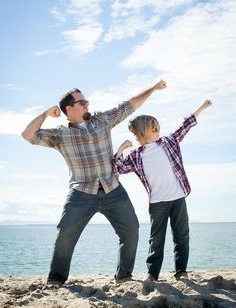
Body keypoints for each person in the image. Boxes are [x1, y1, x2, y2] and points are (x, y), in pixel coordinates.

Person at [21, 80, 167, 285]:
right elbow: (28, 135)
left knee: (131, 230)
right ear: (69, 109)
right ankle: (56, 280)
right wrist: (46, 114)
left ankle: (124, 277)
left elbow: (130, 105)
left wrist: (152, 89)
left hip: (113, 189)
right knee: (65, 236)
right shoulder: (60, 134)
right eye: (82, 102)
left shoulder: (102, 120)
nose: (87, 104)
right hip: (81, 192)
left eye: (87, 101)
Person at [112, 99, 212, 281]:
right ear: (144, 132)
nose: (158, 131)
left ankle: (181, 271)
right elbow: (117, 168)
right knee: (156, 240)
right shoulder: (136, 156)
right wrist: (120, 150)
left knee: (182, 235)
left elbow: (185, 125)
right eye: (154, 129)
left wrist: (202, 107)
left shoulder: (169, 142)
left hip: (179, 198)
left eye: (158, 128)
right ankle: (152, 273)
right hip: (157, 203)